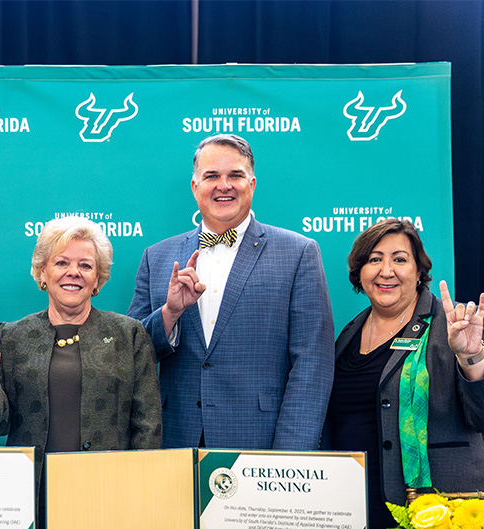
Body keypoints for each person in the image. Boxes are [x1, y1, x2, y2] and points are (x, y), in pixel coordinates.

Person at [0, 216, 162, 529]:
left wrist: (138, 496)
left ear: (98, 278)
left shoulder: (129, 335)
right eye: (62, 262)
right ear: (42, 273)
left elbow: (148, 426)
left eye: (85, 265)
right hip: (32, 499)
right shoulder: (12, 336)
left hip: (107, 497)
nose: (73, 272)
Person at [323, 218, 484, 529]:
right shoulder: (348, 334)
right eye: (374, 259)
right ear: (359, 273)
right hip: (356, 518)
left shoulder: (455, 324)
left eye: (400, 259)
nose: (386, 270)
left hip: (443, 514)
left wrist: (471, 357)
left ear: (419, 271)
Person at [128, 134, 334, 451]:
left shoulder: (298, 253)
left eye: (235, 175)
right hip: (173, 442)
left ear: (251, 184)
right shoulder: (156, 257)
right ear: (195, 187)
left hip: (261, 443)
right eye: (212, 176)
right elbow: (133, 355)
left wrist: (293, 452)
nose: (224, 185)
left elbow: (312, 364)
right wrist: (169, 315)